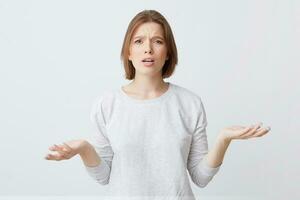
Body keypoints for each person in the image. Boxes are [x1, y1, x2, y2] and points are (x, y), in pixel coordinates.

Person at [45, 10, 271, 200]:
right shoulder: (107, 104)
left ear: (168, 52)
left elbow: (200, 178)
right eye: (139, 41)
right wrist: (84, 149)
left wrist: (223, 139)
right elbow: (103, 176)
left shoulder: (189, 103)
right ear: (129, 52)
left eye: (158, 41)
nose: (148, 49)